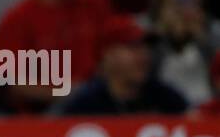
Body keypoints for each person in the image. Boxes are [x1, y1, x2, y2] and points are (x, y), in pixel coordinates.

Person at [57, 15, 189, 115]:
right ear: (107, 55)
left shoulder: (166, 98)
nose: (144, 56)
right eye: (133, 47)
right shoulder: (84, 105)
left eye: (146, 48)